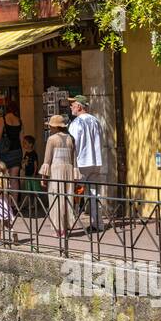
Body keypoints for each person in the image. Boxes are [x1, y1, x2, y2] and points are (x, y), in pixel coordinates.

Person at [68, 95, 105, 232]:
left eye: (72, 104)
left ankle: (72, 222)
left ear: (79, 106)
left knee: (75, 193)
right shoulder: (95, 120)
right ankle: (98, 223)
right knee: (94, 193)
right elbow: (101, 139)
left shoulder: (77, 123)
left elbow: (72, 143)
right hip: (95, 161)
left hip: (81, 162)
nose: (71, 107)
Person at [40, 115, 79, 238]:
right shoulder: (70, 139)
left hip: (56, 170)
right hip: (68, 170)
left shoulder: (52, 139)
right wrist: (75, 175)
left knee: (56, 199)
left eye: (51, 126)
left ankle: (59, 229)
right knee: (67, 198)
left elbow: (47, 160)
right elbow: (74, 160)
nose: (50, 128)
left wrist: (43, 177)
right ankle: (66, 228)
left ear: (55, 127)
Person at [0, 99, 24, 175]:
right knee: (14, 178)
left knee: (4, 177)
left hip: (5, 151)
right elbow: (22, 139)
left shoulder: (2, 119)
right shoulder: (20, 121)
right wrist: (23, 154)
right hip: (17, 151)